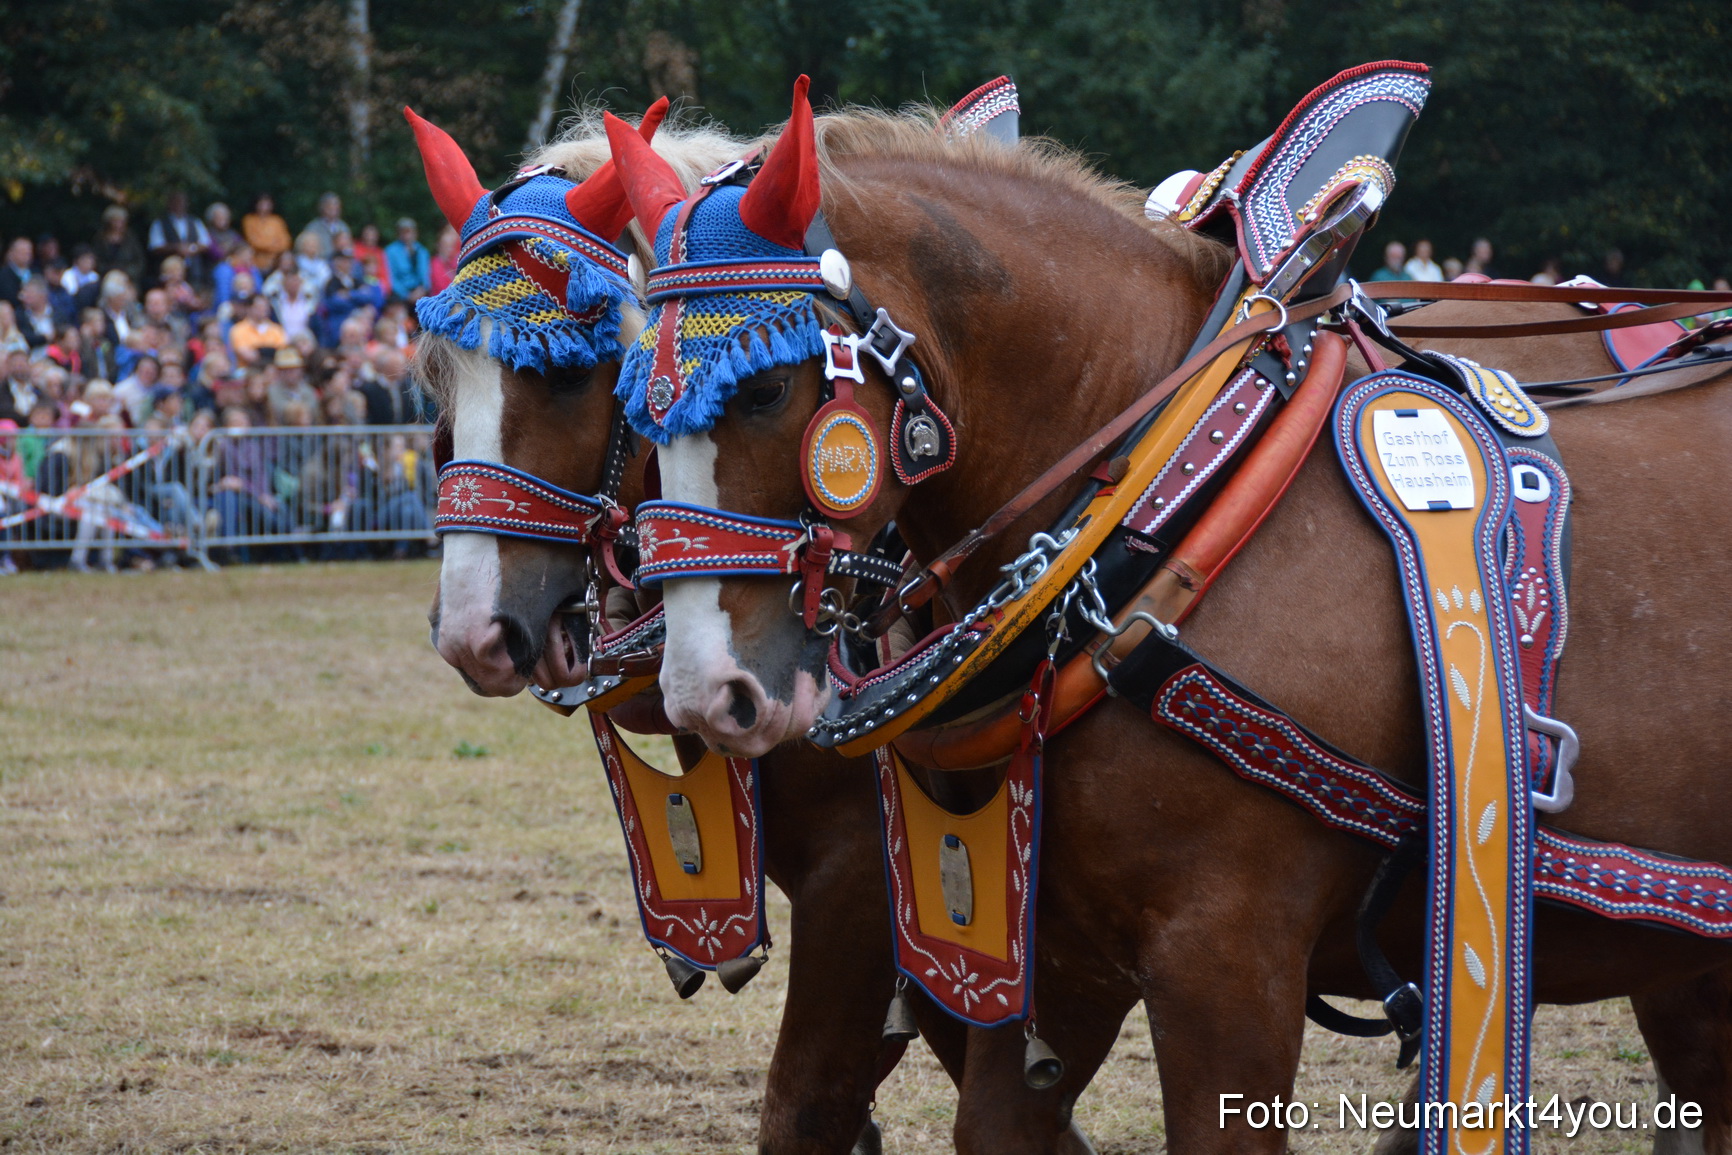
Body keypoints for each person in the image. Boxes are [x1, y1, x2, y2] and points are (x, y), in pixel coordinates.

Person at [317, 250, 383, 348]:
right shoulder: (331, 282)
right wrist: (357, 299)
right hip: (339, 323)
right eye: (344, 261)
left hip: (359, 322)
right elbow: (335, 303)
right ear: (336, 262)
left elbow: (368, 296)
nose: (347, 264)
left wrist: (348, 294)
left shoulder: (357, 280)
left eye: (349, 261)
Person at [147, 191, 212, 285]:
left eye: (182, 202)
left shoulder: (195, 221)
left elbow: (206, 243)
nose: (180, 204)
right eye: (176, 202)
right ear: (169, 204)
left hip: (194, 271)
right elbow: (155, 246)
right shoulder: (160, 223)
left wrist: (192, 249)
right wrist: (176, 248)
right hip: (169, 271)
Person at [228, 294, 287, 368]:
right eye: (259, 307)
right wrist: (270, 352)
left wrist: (259, 351)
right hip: (248, 370)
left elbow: (282, 353)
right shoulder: (238, 330)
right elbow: (248, 356)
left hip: (275, 369)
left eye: (265, 307)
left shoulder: (276, 329)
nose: (263, 309)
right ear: (249, 308)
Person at [93, 207, 146, 287]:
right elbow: (97, 259)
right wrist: (109, 272)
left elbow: (139, 260)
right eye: (116, 221)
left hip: (129, 277)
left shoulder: (131, 237)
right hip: (106, 276)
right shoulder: (100, 238)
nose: (119, 224)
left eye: (122, 221)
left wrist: (129, 273)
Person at [267, 347, 319, 425]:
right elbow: (278, 409)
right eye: (284, 369)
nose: (289, 373)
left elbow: (313, 410)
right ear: (278, 372)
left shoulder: (309, 391)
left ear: (300, 370)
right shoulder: (272, 391)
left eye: (293, 369)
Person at [384, 219, 431, 301]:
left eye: (409, 232)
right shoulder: (390, 251)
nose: (407, 236)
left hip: (420, 292)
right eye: (404, 232)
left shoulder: (422, 251)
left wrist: (422, 289)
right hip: (400, 294)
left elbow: (426, 275)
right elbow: (391, 277)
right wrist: (406, 295)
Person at [268, 268, 317, 343]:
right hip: (282, 342)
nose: (293, 284)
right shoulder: (276, 303)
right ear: (284, 284)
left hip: (304, 341)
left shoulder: (309, 302)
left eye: (296, 281)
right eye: (290, 281)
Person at [242, 194, 292, 266]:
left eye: (267, 204)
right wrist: (273, 244)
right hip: (257, 260)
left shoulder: (277, 220)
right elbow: (254, 242)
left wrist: (270, 247)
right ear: (256, 204)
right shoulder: (249, 220)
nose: (265, 206)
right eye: (262, 203)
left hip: (277, 260)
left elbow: (286, 242)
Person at [299, 192, 349, 261]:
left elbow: (348, 249)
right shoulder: (313, 227)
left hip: (339, 266)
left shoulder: (343, 227)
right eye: (329, 205)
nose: (333, 207)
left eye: (336, 205)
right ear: (322, 207)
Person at [352, 223, 392, 299]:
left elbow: (385, 275)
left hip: (378, 287)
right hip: (360, 285)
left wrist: (384, 289)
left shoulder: (380, 253)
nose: (370, 237)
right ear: (362, 235)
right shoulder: (355, 249)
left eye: (372, 235)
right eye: (367, 234)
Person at [15, 280, 59, 348]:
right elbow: (23, 337)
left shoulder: (58, 313)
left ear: (42, 295)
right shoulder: (19, 315)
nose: (25, 296)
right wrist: (45, 337)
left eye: (30, 293)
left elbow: (62, 334)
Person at [0, 237, 34, 308]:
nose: (27, 254)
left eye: (29, 251)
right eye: (22, 251)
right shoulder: (3, 276)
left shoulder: (36, 273)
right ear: (12, 253)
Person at [429, 224, 459, 294]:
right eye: (449, 233)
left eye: (455, 234)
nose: (454, 238)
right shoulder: (435, 264)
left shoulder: (455, 263)